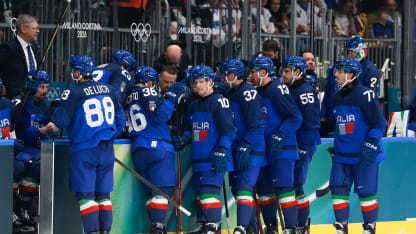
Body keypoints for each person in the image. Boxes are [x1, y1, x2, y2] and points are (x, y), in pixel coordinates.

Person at [51, 55, 126, 234]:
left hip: (84, 149)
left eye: (73, 70)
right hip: (106, 148)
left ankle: (92, 232)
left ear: (78, 72)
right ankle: (105, 232)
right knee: (103, 196)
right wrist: (107, 136)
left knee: (86, 197)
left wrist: (57, 107)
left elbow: (60, 121)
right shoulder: (110, 89)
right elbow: (121, 119)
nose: (72, 74)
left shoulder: (74, 93)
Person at [173, 66, 235, 234]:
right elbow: (190, 129)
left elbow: (228, 130)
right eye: (195, 82)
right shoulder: (193, 105)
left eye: (202, 82)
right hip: (198, 157)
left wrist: (222, 149)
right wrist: (184, 139)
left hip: (214, 157)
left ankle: (213, 226)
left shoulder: (219, 101)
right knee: (200, 194)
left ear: (210, 82)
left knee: (208, 192)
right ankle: (203, 224)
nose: (198, 86)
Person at [124, 66, 185, 234]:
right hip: (157, 147)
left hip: (139, 149)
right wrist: (171, 98)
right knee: (160, 192)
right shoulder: (147, 91)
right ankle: (158, 227)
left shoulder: (128, 96)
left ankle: (157, 226)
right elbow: (161, 115)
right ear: (150, 81)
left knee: (151, 193)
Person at [329, 58, 386, 234]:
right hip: (342, 154)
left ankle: (370, 227)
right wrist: (339, 143)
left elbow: (379, 123)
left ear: (351, 75)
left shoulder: (365, 94)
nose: (335, 74)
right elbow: (342, 125)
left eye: (339, 71)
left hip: (364, 153)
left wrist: (371, 142)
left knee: (367, 192)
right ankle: (341, 226)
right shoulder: (336, 97)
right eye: (336, 71)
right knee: (338, 188)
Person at [248, 56, 302, 234]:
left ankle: (292, 229)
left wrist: (280, 135)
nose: (250, 75)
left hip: (282, 150)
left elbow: (295, 117)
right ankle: (271, 227)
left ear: (263, 72)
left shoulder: (277, 89)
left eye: (253, 72)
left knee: (285, 189)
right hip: (264, 150)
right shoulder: (257, 91)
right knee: (264, 190)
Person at [219, 59, 267, 234]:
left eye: (223, 75)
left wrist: (246, 144)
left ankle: (241, 228)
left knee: (244, 187)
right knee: (237, 188)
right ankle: (251, 228)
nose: (221, 79)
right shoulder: (231, 92)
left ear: (232, 75)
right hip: (237, 147)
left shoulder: (248, 92)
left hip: (251, 149)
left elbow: (257, 125)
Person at [12, 70, 59, 231]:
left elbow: (50, 135)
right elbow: (19, 135)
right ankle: (9, 207)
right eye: (41, 87)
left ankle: (21, 208)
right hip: (17, 149)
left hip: (35, 151)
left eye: (47, 87)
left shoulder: (46, 108)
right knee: (17, 167)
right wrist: (41, 131)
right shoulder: (19, 102)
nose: (45, 91)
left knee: (40, 167)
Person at [280, 56, 321, 233]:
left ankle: (302, 225)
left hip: (304, 142)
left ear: (298, 72)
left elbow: (312, 123)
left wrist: (304, 146)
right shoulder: (290, 89)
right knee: (292, 185)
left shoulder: (304, 91)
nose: (284, 75)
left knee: (297, 185)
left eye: (287, 71)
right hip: (295, 143)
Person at [320, 36, 380, 137]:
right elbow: (328, 91)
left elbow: (370, 101)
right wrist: (323, 114)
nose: (348, 55)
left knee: (346, 136)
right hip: (336, 112)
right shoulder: (339, 66)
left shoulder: (370, 71)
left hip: (353, 116)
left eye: (350, 52)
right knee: (339, 137)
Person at [0, 14, 39, 99]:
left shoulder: (34, 46)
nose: (38, 31)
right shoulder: (8, 48)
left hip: (32, 98)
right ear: (23, 29)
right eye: (34, 28)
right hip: (14, 99)